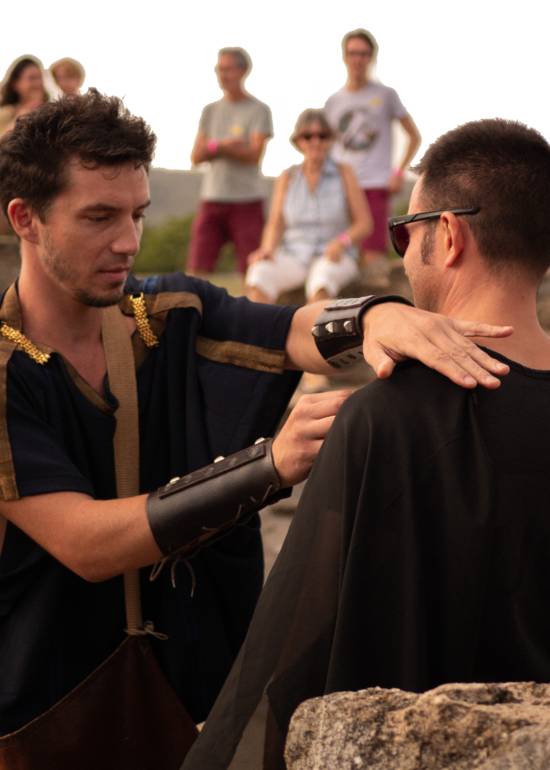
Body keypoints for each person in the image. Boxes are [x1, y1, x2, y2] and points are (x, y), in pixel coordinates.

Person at [0, 91, 512, 764]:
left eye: (137, 214)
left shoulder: (168, 310)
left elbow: (293, 331)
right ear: (26, 219)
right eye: (99, 217)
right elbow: (87, 543)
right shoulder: (6, 371)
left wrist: (377, 316)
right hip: (48, 709)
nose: (127, 242)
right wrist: (267, 466)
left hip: (186, 701)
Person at [182, 116, 550, 770]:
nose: (403, 252)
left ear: (449, 235)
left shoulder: (381, 418)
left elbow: (297, 652)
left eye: (405, 232)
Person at [245, 107, 372, 305]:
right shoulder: (287, 176)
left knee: (321, 280)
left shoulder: (345, 172)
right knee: (259, 273)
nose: (315, 142)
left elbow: (364, 223)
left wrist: (342, 241)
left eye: (322, 136)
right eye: (308, 136)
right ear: (299, 140)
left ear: (330, 139)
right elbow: (276, 223)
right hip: (294, 255)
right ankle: (261, 326)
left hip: (334, 256)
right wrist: (267, 248)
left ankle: (315, 326)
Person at [323, 28, 421, 266]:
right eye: (353, 53)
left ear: (371, 57)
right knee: (337, 254)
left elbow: (413, 136)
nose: (357, 59)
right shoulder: (332, 102)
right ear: (344, 56)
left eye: (363, 54)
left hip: (374, 184)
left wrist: (398, 172)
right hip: (340, 186)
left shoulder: (386, 95)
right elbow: (325, 146)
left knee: (373, 258)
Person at [187, 46, 273, 288]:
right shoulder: (210, 110)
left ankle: (251, 311)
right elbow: (197, 157)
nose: (223, 75)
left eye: (229, 69)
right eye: (220, 69)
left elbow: (254, 154)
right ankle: (190, 310)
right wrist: (223, 146)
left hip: (247, 200)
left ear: (243, 71)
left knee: (251, 270)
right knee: (197, 267)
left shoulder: (258, 110)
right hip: (213, 197)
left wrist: (214, 148)